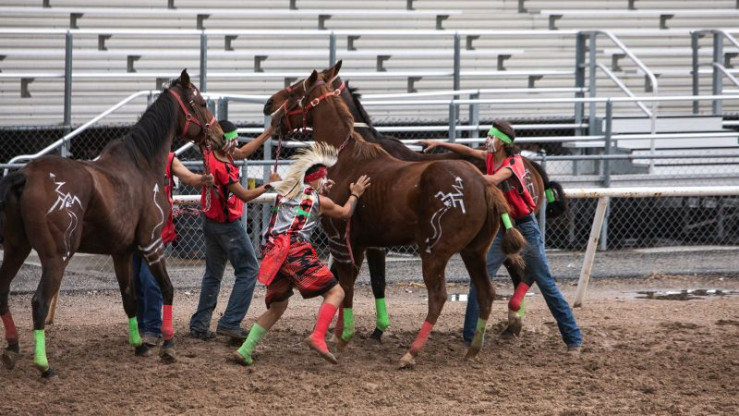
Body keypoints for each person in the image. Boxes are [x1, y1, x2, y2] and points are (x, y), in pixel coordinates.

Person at [417, 121, 583, 354]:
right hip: (503, 228)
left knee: (546, 283)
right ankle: (470, 338)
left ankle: (573, 338)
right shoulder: (489, 157)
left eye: (491, 137)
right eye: (487, 135)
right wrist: (439, 143)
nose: (487, 140)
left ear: (502, 142)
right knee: (479, 279)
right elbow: (466, 151)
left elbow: (491, 180)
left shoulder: (513, 163)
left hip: (525, 229)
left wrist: (459, 177)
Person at [231, 142, 371, 365]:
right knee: (337, 293)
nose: (326, 182)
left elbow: (297, 196)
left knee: (278, 307)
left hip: (273, 253)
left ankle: (245, 349)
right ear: (315, 179)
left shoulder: (285, 190)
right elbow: (345, 212)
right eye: (324, 177)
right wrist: (355, 193)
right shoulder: (318, 200)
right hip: (293, 250)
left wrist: (316, 188)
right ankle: (318, 336)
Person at [189, 120, 281, 342]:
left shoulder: (214, 153)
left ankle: (200, 325)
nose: (236, 144)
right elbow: (245, 195)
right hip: (227, 226)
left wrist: (268, 132)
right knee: (249, 270)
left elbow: (243, 152)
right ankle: (230, 322)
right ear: (224, 142)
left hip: (211, 223)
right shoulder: (223, 167)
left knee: (213, 274)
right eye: (233, 140)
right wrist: (270, 185)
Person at [135, 152, 214, 348]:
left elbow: (189, 177)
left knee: (149, 279)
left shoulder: (167, 158)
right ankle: (141, 326)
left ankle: (153, 328)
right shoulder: (133, 154)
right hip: (133, 231)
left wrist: (203, 179)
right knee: (135, 280)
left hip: (157, 232)